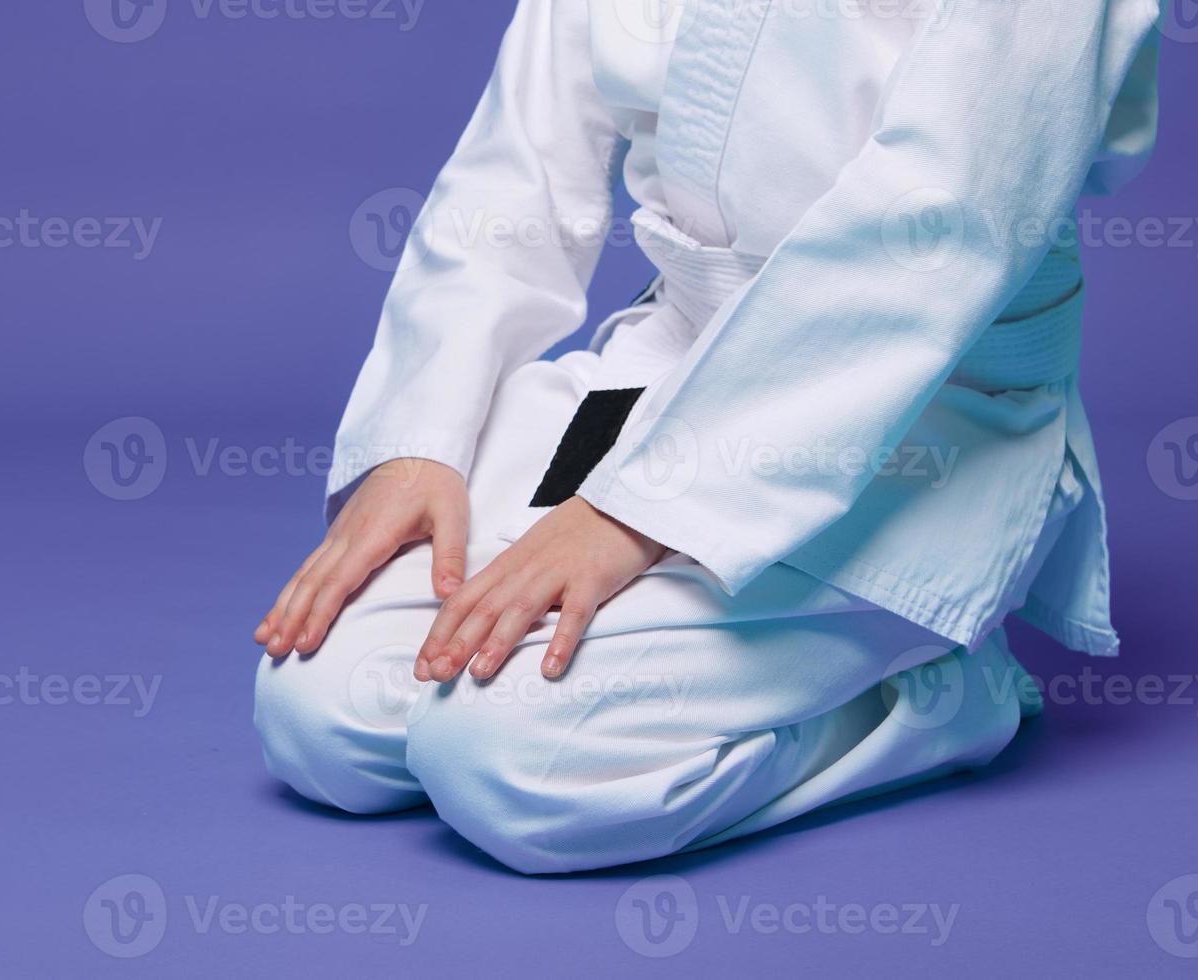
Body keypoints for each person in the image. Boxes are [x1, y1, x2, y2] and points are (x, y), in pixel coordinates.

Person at [251, 0, 1163, 874]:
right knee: (323, 716)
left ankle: (937, 703)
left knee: (516, 767)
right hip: (667, 362)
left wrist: (639, 510)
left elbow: (937, 226)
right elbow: (520, 164)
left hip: (927, 411)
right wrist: (420, 433)